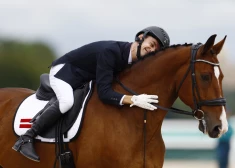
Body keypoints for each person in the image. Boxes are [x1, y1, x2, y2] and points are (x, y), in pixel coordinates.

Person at [12, 26, 170, 162]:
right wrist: (133, 99)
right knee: (66, 102)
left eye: (157, 50)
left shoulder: (132, 62)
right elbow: (105, 93)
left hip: (83, 78)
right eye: (152, 44)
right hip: (64, 73)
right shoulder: (111, 52)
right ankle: (26, 138)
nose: (152, 50)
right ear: (141, 38)